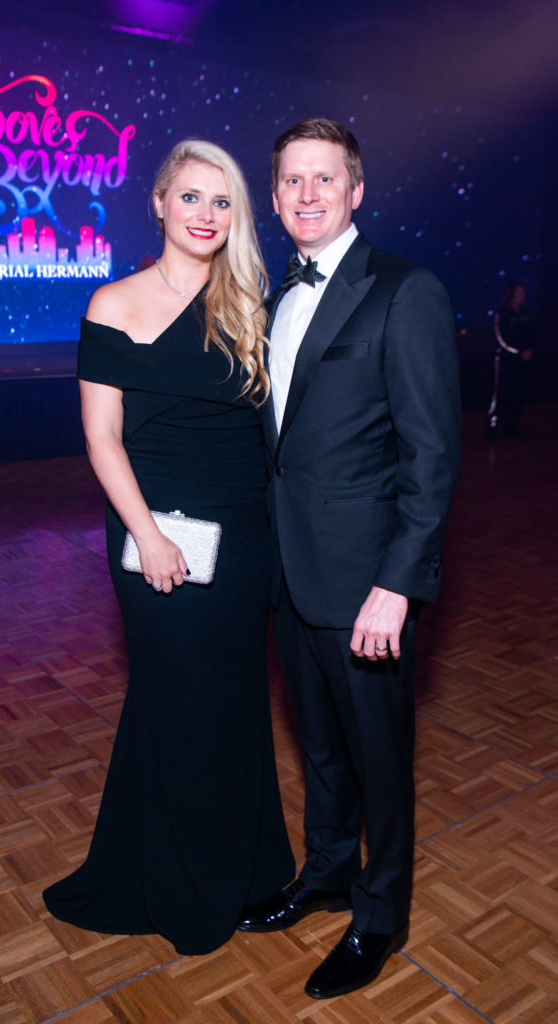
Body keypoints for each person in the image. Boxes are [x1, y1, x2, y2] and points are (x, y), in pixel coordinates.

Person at [42, 139, 294, 956]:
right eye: (189, 196)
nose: (205, 214)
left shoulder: (249, 301)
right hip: (157, 538)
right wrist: (147, 535)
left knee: (234, 703)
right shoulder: (112, 301)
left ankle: (247, 869)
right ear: (158, 202)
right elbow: (101, 438)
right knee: (174, 701)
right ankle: (173, 883)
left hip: (243, 539)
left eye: (221, 202)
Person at [237, 118, 461, 998]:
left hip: (367, 584)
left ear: (355, 190)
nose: (306, 194)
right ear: (274, 194)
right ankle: (327, 873)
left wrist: (396, 585)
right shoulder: (269, 298)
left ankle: (380, 914)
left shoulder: (404, 291)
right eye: (291, 179)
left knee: (378, 759)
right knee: (321, 746)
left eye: (323, 178)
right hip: (291, 576)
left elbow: (430, 456)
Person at [486, 281, 535, 437]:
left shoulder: (526, 314)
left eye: (523, 293)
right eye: (519, 293)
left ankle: (512, 426)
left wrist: (529, 349)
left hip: (522, 362)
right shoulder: (502, 315)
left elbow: (532, 334)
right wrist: (518, 352)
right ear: (511, 295)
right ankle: (493, 426)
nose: (522, 296)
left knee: (518, 393)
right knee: (501, 393)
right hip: (506, 361)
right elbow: (501, 339)